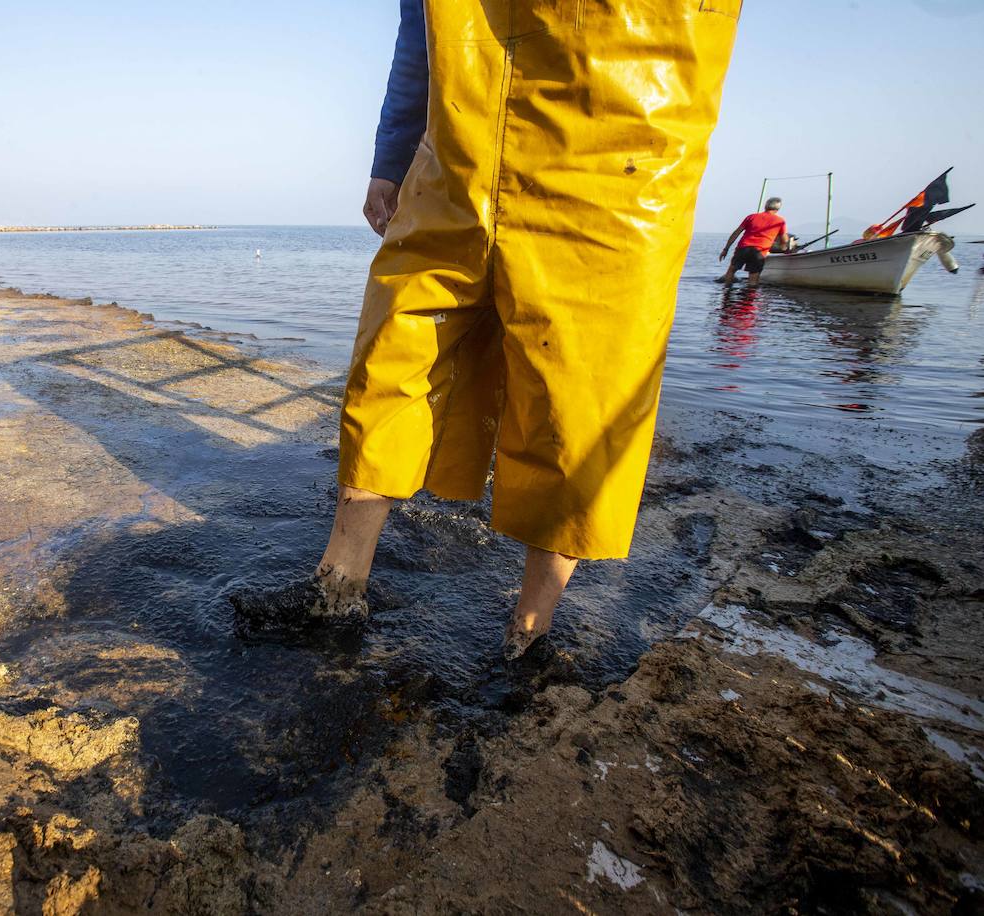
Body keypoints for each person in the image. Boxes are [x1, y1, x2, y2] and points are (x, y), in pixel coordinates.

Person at [234, 0, 740, 660]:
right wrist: (391, 156)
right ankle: (338, 589)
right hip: (457, 152)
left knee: (577, 400)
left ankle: (529, 636)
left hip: (619, 158)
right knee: (391, 359)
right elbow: (422, 31)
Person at [718, 198, 791, 286]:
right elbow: (785, 240)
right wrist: (784, 249)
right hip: (759, 251)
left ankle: (726, 293)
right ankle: (750, 297)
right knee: (753, 279)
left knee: (731, 271)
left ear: (765, 206)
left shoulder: (751, 217)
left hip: (743, 248)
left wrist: (726, 249)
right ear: (778, 209)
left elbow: (736, 233)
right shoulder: (780, 221)